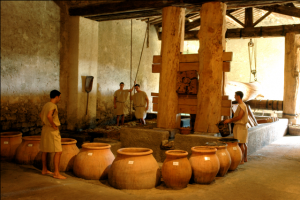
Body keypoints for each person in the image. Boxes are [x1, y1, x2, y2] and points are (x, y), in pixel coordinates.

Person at [39, 90, 66, 179]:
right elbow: (49, 115)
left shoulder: (46, 105)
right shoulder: (53, 106)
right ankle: (56, 173)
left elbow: (40, 115)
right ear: (56, 96)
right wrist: (53, 125)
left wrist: (46, 123)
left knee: (45, 150)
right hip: (51, 130)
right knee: (58, 151)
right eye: (60, 97)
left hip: (45, 129)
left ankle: (44, 170)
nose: (60, 99)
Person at [224, 91, 248, 164]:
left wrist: (229, 120)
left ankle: (241, 160)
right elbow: (237, 115)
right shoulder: (241, 105)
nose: (234, 97)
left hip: (240, 127)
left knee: (240, 143)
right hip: (241, 126)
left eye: (235, 96)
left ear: (238, 96)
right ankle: (245, 158)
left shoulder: (242, 105)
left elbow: (239, 117)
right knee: (243, 143)